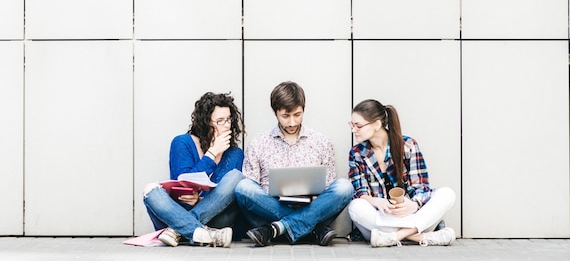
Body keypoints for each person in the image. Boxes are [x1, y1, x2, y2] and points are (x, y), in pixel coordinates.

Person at [234, 81, 354, 246]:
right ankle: (311, 228)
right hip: (270, 209)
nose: (292, 123)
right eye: (285, 116)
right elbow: (252, 188)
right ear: (274, 112)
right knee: (243, 187)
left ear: (304, 109)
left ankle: (276, 229)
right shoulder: (259, 143)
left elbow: (328, 188)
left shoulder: (321, 141)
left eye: (297, 115)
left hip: (309, 206)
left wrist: (312, 197)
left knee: (344, 187)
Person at [347, 99, 456, 247]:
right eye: (352, 125)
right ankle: (423, 238)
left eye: (358, 126)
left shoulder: (408, 145)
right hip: (381, 219)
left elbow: (421, 187)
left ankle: (395, 237)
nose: (353, 130)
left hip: (411, 218)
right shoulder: (357, 153)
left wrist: (414, 205)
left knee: (447, 193)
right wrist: (378, 202)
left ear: (377, 124)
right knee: (355, 206)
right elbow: (361, 192)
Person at [142, 92, 245, 247]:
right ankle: (203, 234)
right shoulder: (182, 143)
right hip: (179, 210)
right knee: (151, 190)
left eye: (228, 119)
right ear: (205, 122)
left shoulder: (235, 154)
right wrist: (212, 153)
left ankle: (179, 231)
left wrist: (201, 200)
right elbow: (183, 182)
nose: (227, 125)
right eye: (220, 121)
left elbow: (225, 197)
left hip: (216, 218)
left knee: (236, 177)